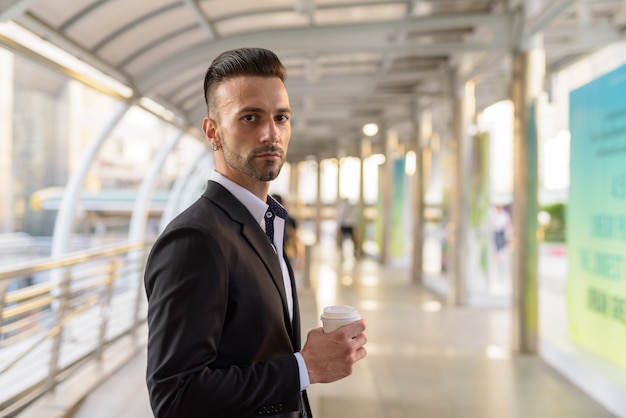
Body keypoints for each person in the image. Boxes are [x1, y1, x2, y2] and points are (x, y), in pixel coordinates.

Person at [144, 48, 367, 418]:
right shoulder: (195, 240)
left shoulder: (265, 223)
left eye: (281, 117)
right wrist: (304, 367)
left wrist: (305, 361)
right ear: (212, 132)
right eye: (250, 117)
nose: (270, 133)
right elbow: (175, 398)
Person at [272, 194, 304, 270]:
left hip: (287, 255)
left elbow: (297, 240)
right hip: (273, 256)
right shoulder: (266, 219)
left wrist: (300, 259)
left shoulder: (289, 220)